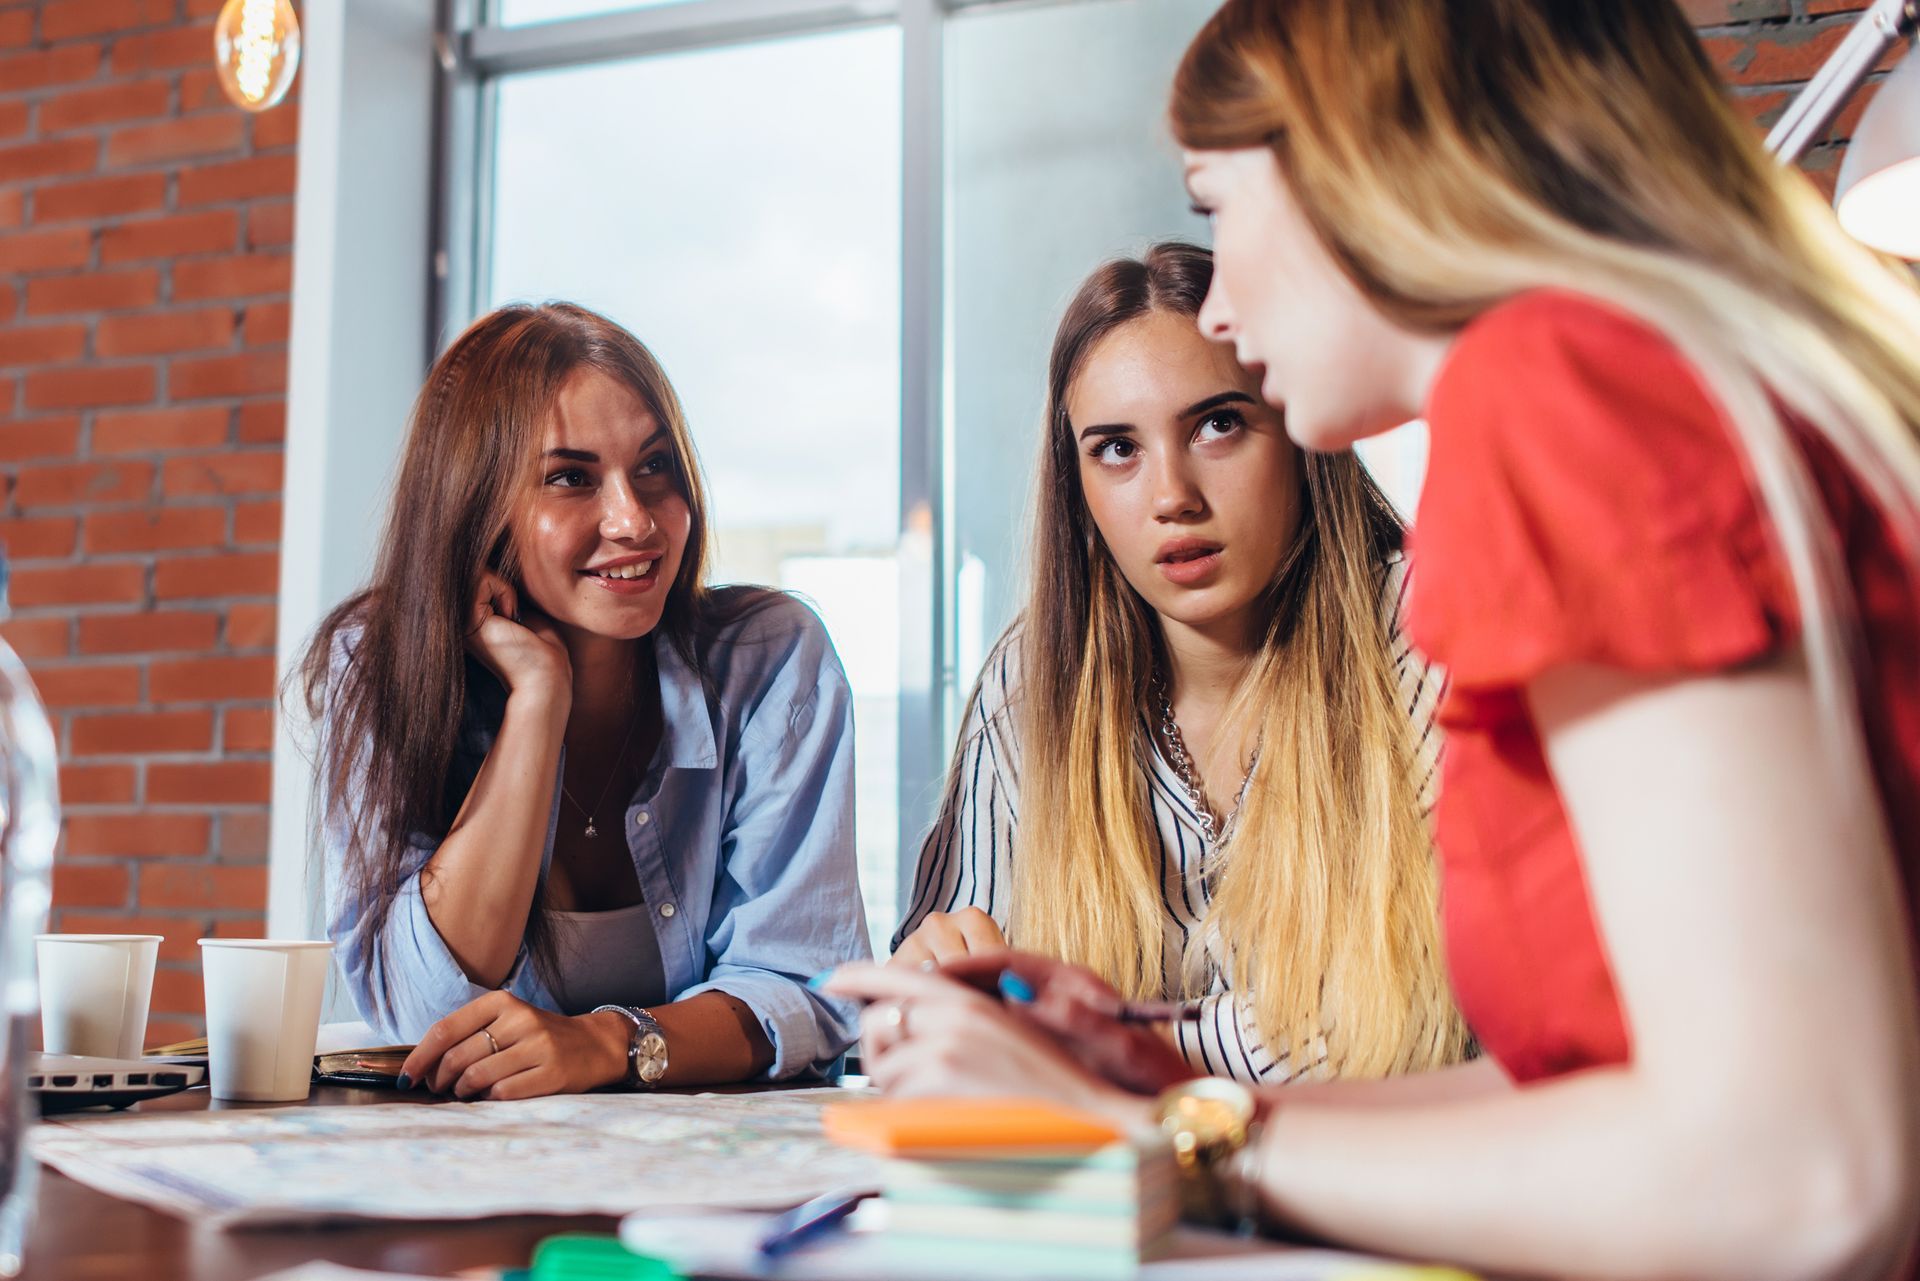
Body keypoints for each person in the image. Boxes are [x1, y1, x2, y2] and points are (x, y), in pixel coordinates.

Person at [828, 1, 1920, 1276]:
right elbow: (1611, 1099)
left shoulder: (1559, 387)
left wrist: (1180, 1137)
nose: (1224, 306)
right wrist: (1165, 1094)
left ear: (1365, 168)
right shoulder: (1644, 376)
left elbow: (1808, 1178)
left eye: (1222, 210)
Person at [890, 242, 1469, 1085]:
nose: (1172, 496)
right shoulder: (1032, 681)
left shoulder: (1423, 630)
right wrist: (929, 981)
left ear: (1300, 434)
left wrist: (1078, 1041)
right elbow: (937, 1016)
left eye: (1218, 424)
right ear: (1078, 491)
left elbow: (1387, 1036)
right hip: (1123, 1202)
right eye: (1117, 449)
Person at [302, 302, 869, 1100]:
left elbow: (805, 991)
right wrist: (539, 700)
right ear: (476, 504)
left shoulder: (770, 661)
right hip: (468, 1182)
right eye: (571, 478)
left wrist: (610, 1041)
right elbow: (421, 1011)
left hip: (702, 1180)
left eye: (655, 466)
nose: (634, 519)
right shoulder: (381, 666)